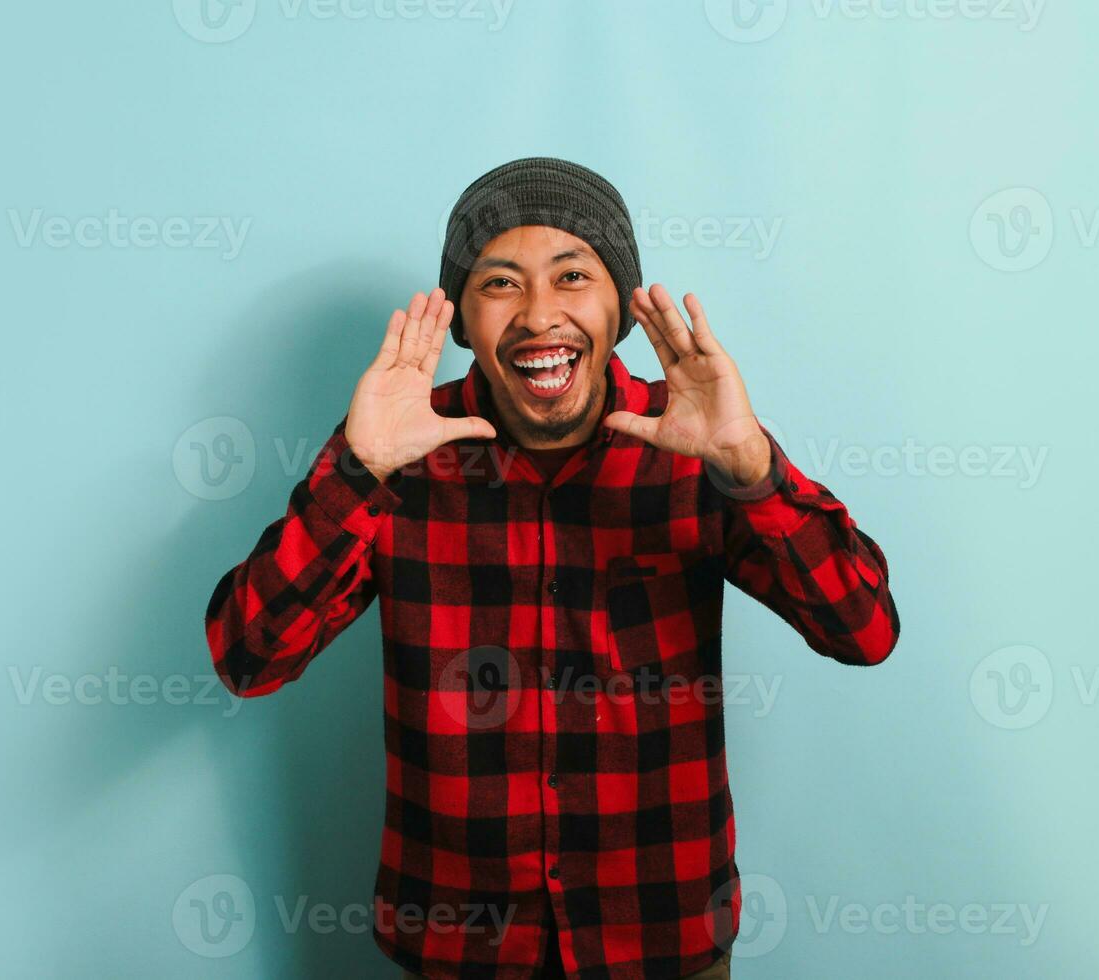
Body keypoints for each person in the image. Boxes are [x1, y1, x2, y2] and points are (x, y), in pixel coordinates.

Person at [204, 157, 900, 978]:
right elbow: (248, 657)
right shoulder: (399, 450)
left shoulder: (696, 444)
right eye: (500, 283)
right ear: (460, 318)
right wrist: (356, 471)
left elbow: (864, 631)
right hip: (460, 948)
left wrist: (752, 468)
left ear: (621, 306)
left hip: (662, 939)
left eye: (573, 275)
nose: (540, 316)